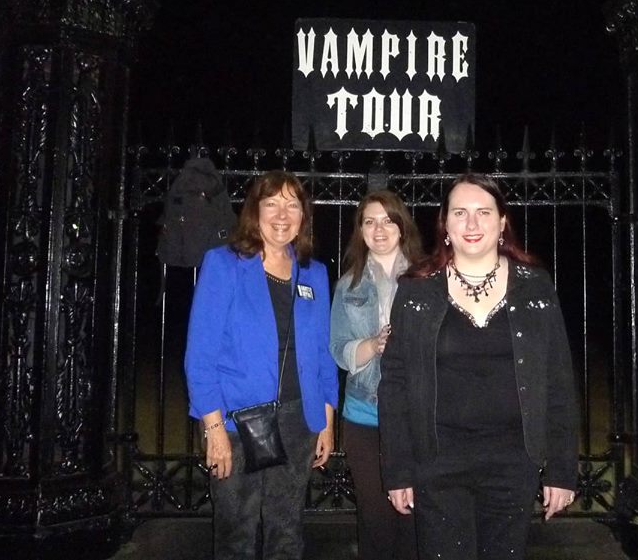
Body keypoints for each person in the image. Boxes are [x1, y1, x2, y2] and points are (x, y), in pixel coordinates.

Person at [378, 173, 580, 560]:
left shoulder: (535, 287)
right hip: (438, 462)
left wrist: (561, 469)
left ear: (502, 222)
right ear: (445, 224)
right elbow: (395, 386)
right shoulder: (416, 291)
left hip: (513, 462)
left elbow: (558, 381)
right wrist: (398, 470)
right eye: (460, 213)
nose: (471, 223)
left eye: (483, 212)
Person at [184, 170, 338, 560]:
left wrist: (325, 420)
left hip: (299, 421)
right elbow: (200, 356)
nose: (282, 214)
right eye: (272, 203)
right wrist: (213, 428)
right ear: (255, 211)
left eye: (292, 205)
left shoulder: (314, 273)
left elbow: (322, 353)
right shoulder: (224, 264)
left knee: (287, 529)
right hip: (238, 421)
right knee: (236, 532)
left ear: (303, 215)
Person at [330, 191, 423, 560]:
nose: (379, 229)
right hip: (364, 416)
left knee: (412, 515)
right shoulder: (348, 285)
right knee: (376, 517)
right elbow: (337, 348)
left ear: (402, 227)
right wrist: (372, 345)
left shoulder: (427, 279)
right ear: (361, 230)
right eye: (370, 221)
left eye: (387, 220)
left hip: (413, 416)